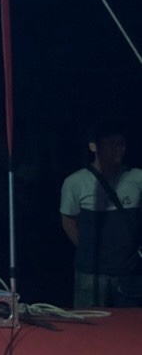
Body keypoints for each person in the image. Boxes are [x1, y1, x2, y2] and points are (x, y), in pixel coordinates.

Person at [59, 121, 141, 308]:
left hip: (129, 273)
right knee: (91, 323)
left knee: (128, 324)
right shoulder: (76, 182)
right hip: (91, 274)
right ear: (93, 146)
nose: (118, 149)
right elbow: (68, 220)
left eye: (121, 144)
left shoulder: (137, 178)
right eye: (111, 144)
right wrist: (87, 247)